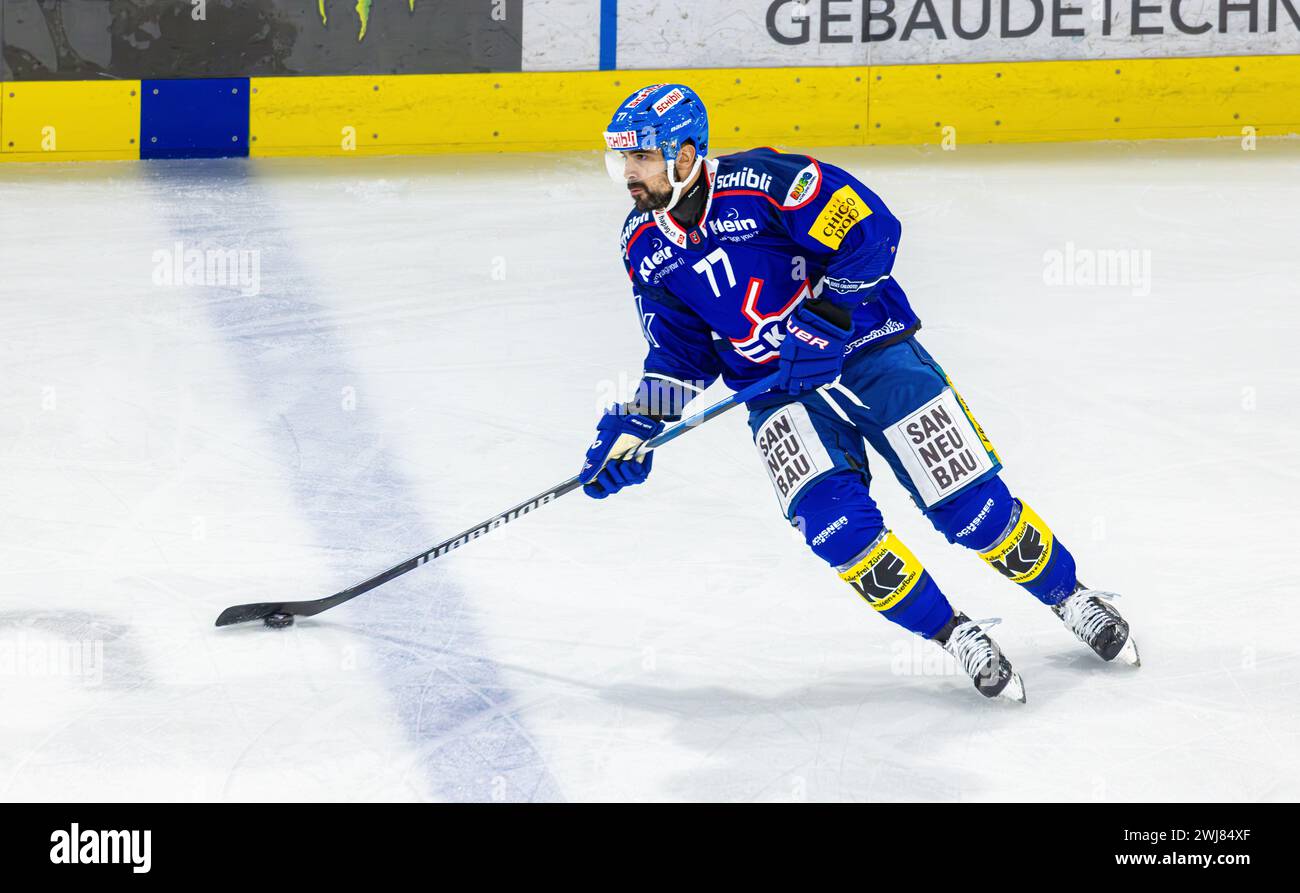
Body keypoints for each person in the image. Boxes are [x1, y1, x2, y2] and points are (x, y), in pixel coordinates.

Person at [579, 84, 1138, 702]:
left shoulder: (770, 182)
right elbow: (682, 354)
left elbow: (873, 235)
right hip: (778, 393)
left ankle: (1071, 597)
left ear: (686, 153)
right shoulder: (642, 243)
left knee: (970, 507)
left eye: (644, 158)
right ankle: (955, 635)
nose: (631, 173)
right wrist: (639, 423)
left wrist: (823, 321)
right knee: (835, 527)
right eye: (623, 160)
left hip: (874, 355)